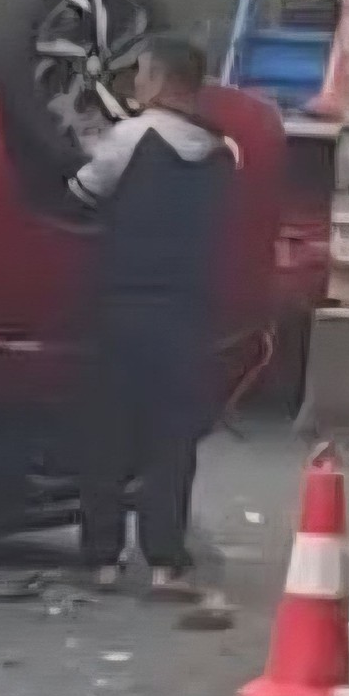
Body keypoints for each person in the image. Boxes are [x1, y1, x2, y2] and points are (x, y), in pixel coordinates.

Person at [70, 35, 238, 599]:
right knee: (173, 439)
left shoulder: (130, 137)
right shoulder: (222, 152)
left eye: (141, 75)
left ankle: (103, 559)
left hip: (124, 306)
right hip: (188, 315)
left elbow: (80, 192)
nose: (134, 86)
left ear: (164, 82)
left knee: (107, 432)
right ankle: (166, 561)